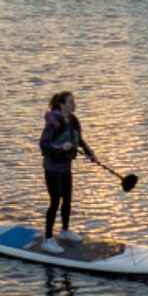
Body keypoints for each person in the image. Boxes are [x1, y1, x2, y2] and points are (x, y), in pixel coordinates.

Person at [38, 91, 98, 254]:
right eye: (71, 102)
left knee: (68, 200)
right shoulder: (53, 123)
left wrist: (89, 152)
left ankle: (64, 231)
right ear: (62, 105)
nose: (74, 104)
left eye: (74, 101)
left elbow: (78, 139)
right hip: (52, 168)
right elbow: (43, 144)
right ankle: (48, 239)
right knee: (55, 201)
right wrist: (59, 147)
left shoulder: (72, 120)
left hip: (65, 167)